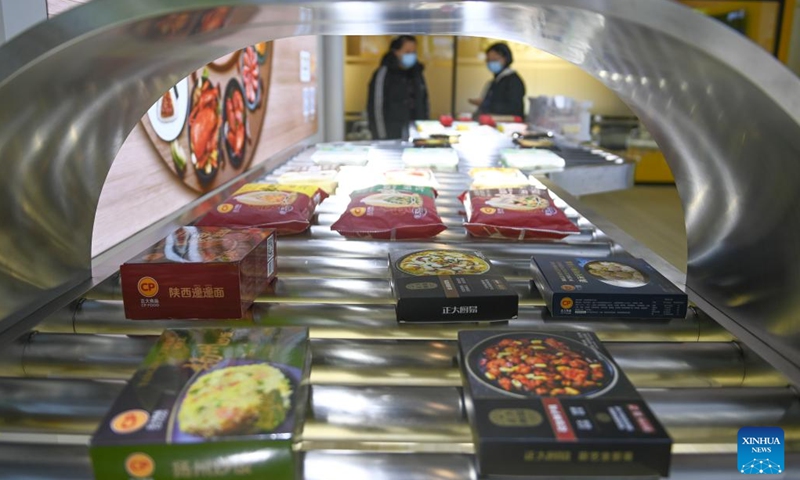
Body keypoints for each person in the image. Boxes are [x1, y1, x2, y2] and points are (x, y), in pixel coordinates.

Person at [368, 35, 430, 140]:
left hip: (416, 135)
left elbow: (424, 102)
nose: (411, 55)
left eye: (414, 52)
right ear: (395, 52)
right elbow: (376, 107)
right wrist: (380, 136)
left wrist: (424, 130)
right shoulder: (383, 74)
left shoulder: (417, 74)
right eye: (407, 52)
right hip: (390, 135)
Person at [470, 42, 526, 119]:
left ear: (505, 58)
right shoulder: (495, 81)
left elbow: (514, 108)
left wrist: (486, 104)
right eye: (488, 60)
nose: (490, 63)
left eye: (494, 59)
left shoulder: (513, 81)